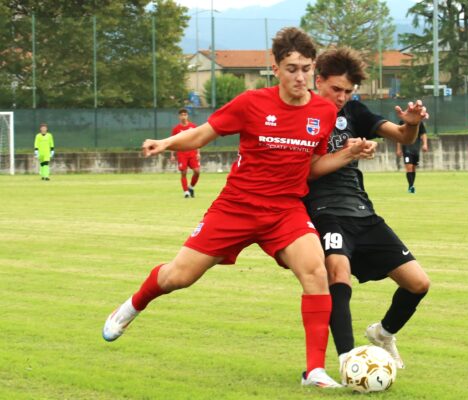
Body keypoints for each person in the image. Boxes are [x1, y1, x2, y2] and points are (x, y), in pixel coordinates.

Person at [102, 27, 376, 388]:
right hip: (237, 207)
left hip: (285, 210)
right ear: (275, 68)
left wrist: (348, 154)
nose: (300, 76)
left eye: (306, 68)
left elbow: (311, 167)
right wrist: (165, 142)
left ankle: (314, 371)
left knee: (316, 272)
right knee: (178, 277)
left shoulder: (323, 111)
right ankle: (132, 305)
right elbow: (203, 133)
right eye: (292, 68)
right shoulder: (251, 103)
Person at [305, 47, 430, 371]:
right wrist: (350, 152)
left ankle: (383, 333)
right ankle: (348, 360)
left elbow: (402, 134)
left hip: (362, 211)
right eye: (335, 89)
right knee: (338, 273)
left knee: (418, 283)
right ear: (318, 80)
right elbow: (308, 170)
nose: (342, 97)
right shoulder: (300, 113)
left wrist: (412, 125)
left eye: (348, 91)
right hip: (324, 212)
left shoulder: (355, 111)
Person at [171, 108, 200, 198]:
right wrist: (172, 155)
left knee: (197, 171)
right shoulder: (176, 129)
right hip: (181, 153)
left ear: (187, 116)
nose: (183, 116)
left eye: (185, 114)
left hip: (192, 152)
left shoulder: (193, 126)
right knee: (183, 172)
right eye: (182, 115)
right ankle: (186, 192)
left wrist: (198, 153)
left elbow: (197, 140)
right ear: (179, 117)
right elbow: (172, 142)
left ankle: (191, 187)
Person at [396, 121, 428, 193]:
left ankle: (412, 185)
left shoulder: (419, 122)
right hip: (406, 148)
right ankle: (411, 187)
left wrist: (425, 144)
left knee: (413, 167)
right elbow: (398, 135)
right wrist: (398, 149)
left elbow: (423, 134)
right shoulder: (402, 122)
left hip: (416, 149)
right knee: (409, 167)